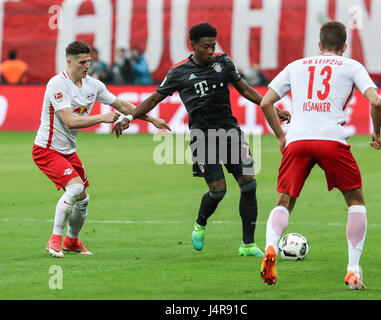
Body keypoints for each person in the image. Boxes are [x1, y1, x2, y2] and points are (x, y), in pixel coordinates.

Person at [113, 23, 290, 257]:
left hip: (231, 133)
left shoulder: (223, 63)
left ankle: (247, 245)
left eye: (213, 46)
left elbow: (245, 89)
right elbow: (155, 98)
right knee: (218, 191)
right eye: (206, 46)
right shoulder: (179, 72)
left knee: (249, 184)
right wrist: (129, 117)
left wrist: (272, 107)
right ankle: (200, 224)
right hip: (203, 138)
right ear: (193, 45)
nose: (210, 50)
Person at [259, 21, 381, 289]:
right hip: (331, 140)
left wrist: (282, 135)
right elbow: (376, 101)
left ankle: (270, 247)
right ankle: (353, 270)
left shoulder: (297, 65)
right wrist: (377, 133)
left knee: (284, 200)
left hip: (298, 139)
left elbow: (266, 102)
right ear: (344, 46)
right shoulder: (352, 66)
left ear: (319, 45)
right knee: (355, 201)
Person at [32, 40, 170, 258]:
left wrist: (151, 119)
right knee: (75, 189)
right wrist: (102, 118)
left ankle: (72, 241)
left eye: (89, 61)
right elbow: (69, 121)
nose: (87, 65)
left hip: (68, 151)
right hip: (46, 149)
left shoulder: (93, 85)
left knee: (83, 198)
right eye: (82, 62)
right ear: (69, 61)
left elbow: (122, 105)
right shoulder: (57, 84)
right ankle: (54, 240)